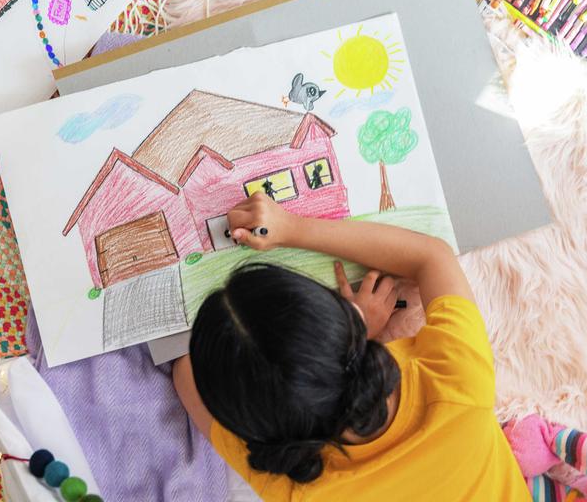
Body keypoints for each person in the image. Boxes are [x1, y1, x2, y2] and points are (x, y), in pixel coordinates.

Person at [173, 192, 531, 500]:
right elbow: (432, 256)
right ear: (336, 318)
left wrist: (356, 330)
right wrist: (292, 228)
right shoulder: (459, 382)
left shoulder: (297, 489)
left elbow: (185, 373)